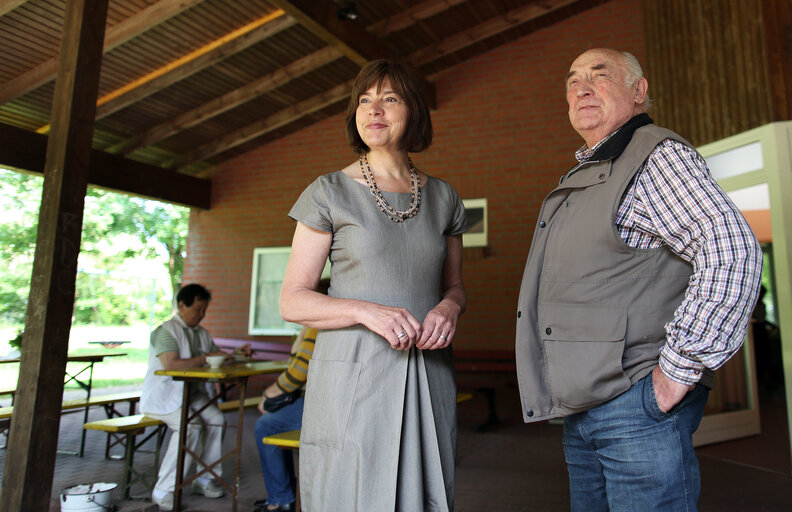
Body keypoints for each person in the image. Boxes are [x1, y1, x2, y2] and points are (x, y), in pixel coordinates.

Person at [515, 48, 762, 511]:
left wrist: (677, 371)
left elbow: (731, 250)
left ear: (639, 90)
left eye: (600, 74)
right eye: (572, 81)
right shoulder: (595, 168)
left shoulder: (656, 158)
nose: (582, 87)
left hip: (634, 403)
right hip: (587, 408)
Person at [279, 59, 468, 511]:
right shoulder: (327, 192)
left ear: (414, 111)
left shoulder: (445, 198)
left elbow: (456, 287)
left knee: (427, 495)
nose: (373, 110)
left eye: (389, 98)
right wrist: (365, 310)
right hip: (353, 374)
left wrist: (449, 308)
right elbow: (292, 300)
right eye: (364, 100)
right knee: (352, 495)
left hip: (430, 373)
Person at [140, 283, 250, 511]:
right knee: (190, 427)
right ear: (182, 305)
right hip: (163, 396)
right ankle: (164, 490)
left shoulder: (201, 333)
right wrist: (204, 358)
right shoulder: (166, 331)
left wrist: (236, 355)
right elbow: (171, 364)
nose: (201, 315)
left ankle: (205, 479)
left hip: (192, 395)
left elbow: (216, 355)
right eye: (198, 309)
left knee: (217, 420)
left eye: (204, 310)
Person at [252, 278, 329, 512]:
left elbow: (298, 372)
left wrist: (268, 396)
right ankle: (284, 494)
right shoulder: (319, 323)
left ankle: (282, 500)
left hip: (320, 406)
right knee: (273, 423)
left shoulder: (319, 324)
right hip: (327, 402)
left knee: (266, 425)